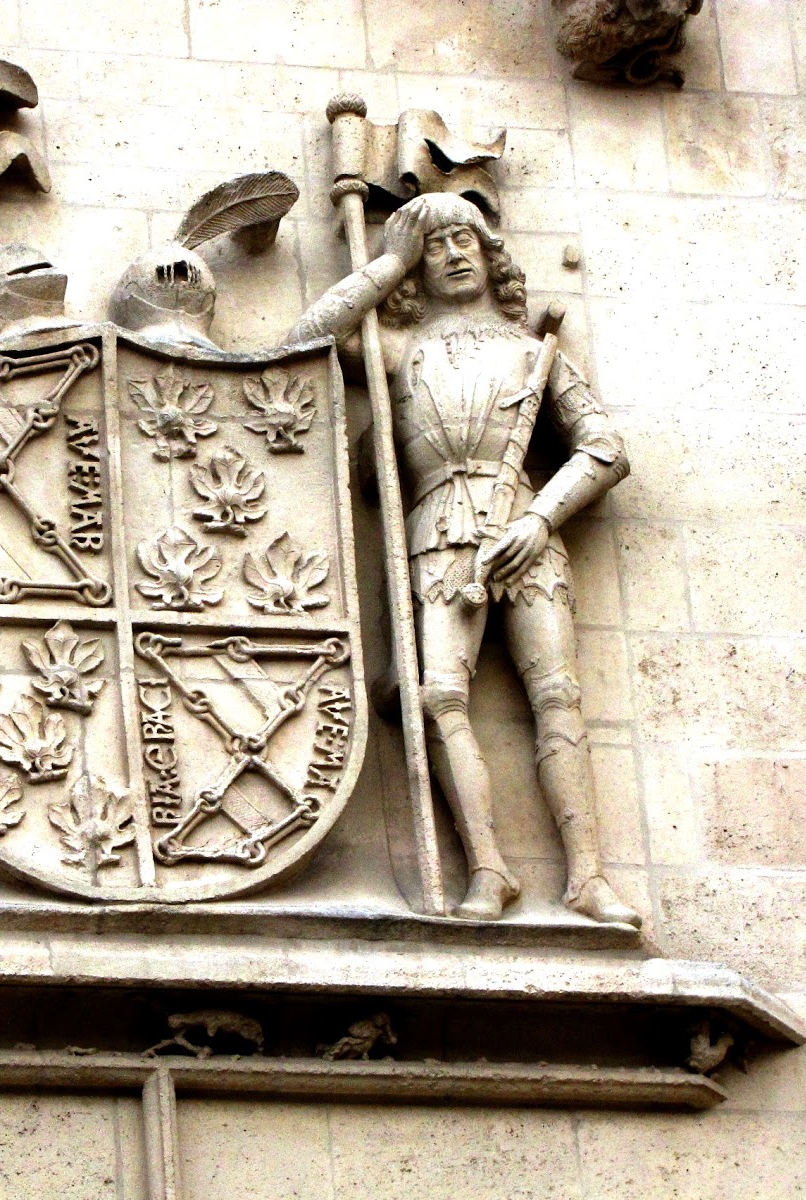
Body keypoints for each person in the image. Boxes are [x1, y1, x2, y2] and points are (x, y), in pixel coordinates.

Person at [287, 192, 639, 925]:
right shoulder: (396, 347)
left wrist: (541, 519)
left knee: (557, 695)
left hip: (524, 529)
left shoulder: (532, 351)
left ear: (490, 254)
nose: (452, 255)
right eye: (435, 245)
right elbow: (308, 337)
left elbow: (604, 448)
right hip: (437, 531)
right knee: (439, 695)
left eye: (464, 241)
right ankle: (488, 868)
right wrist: (389, 261)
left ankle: (587, 876)